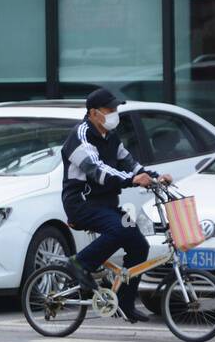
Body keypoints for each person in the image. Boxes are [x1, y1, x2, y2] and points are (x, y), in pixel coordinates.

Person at [60, 88, 171, 323]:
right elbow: (97, 169)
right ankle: (79, 264)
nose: (115, 114)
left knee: (138, 244)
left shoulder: (111, 137)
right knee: (118, 230)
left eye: (116, 109)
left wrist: (153, 176)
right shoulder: (80, 136)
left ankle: (125, 302)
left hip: (106, 204)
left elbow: (129, 163)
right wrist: (131, 180)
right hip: (82, 204)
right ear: (93, 113)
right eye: (110, 110)